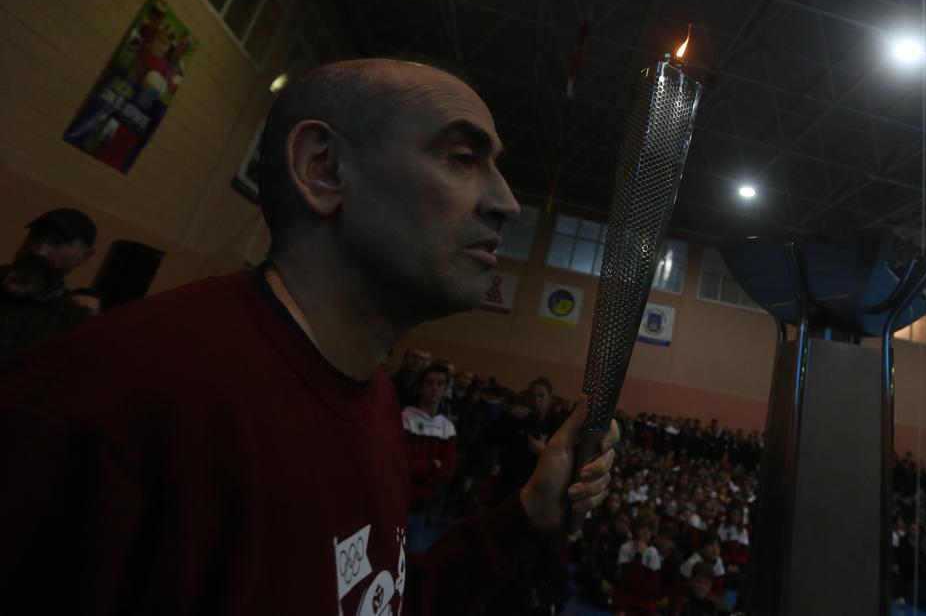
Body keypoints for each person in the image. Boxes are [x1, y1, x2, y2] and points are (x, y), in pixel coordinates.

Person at [0, 59, 619, 615]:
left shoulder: (375, 400)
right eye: (461, 158)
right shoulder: (99, 411)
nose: (507, 203)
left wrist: (525, 517)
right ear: (323, 168)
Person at [0, 207, 97, 355]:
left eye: (59, 242)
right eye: (36, 236)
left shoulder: (74, 324)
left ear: (84, 257)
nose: (39, 251)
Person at [403, 364, 458, 553]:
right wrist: (432, 464)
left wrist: (422, 470)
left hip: (423, 503)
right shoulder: (405, 418)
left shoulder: (447, 427)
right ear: (420, 387)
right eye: (430, 383)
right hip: (400, 497)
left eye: (440, 384)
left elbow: (447, 471)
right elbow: (402, 464)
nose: (435, 388)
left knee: (412, 555)